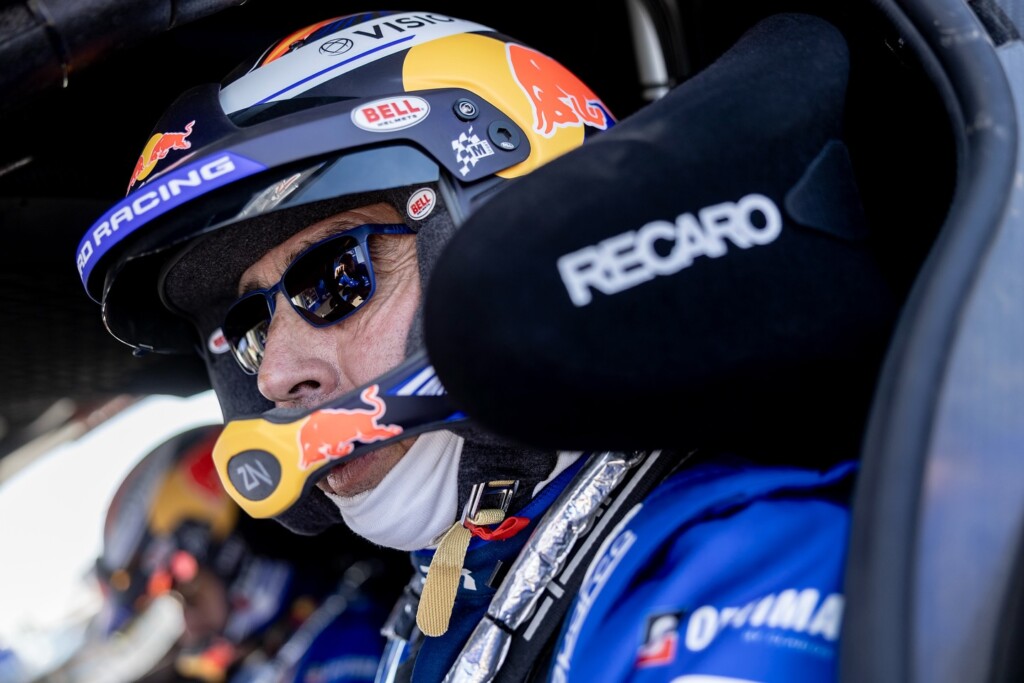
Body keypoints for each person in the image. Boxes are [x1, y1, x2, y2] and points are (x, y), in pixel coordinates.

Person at [77, 10, 858, 681]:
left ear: (519, 239)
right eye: (251, 331)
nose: (276, 374)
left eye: (334, 278)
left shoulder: (731, 570)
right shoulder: (449, 597)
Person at [80, 424, 407, 683]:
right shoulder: (280, 656)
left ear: (236, 557)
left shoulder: (351, 645)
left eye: (190, 597)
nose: (189, 630)